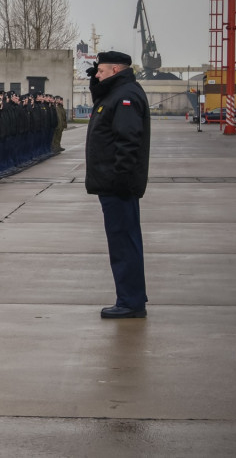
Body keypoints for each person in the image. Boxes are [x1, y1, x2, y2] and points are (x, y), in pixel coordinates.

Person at [84, 50, 150, 319]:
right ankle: (131, 296)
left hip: (117, 185)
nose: (96, 75)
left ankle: (131, 301)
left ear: (115, 70)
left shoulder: (125, 96)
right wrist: (95, 84)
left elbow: (127, 141)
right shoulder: (116, 92)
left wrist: (121, 179)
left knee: (124, 244)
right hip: (112, 183)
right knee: (123, 242)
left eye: (100, 71)